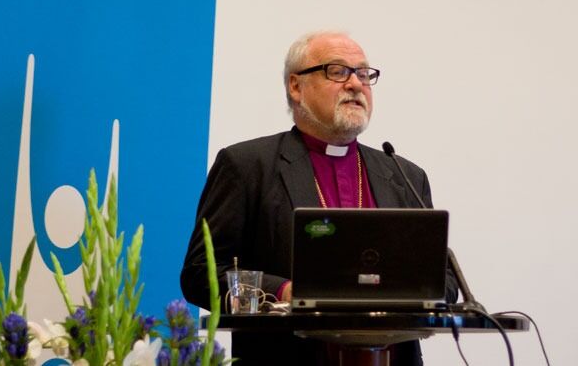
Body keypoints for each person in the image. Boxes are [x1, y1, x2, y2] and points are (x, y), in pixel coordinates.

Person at [181, 31, 458, 365]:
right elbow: (200, 273)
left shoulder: (404, 176)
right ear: (296, 87)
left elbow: (444, 279)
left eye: (364, 74)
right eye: (338, 72)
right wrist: (284, 291)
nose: (356, 84)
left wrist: (417, 293)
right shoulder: (247, 166)